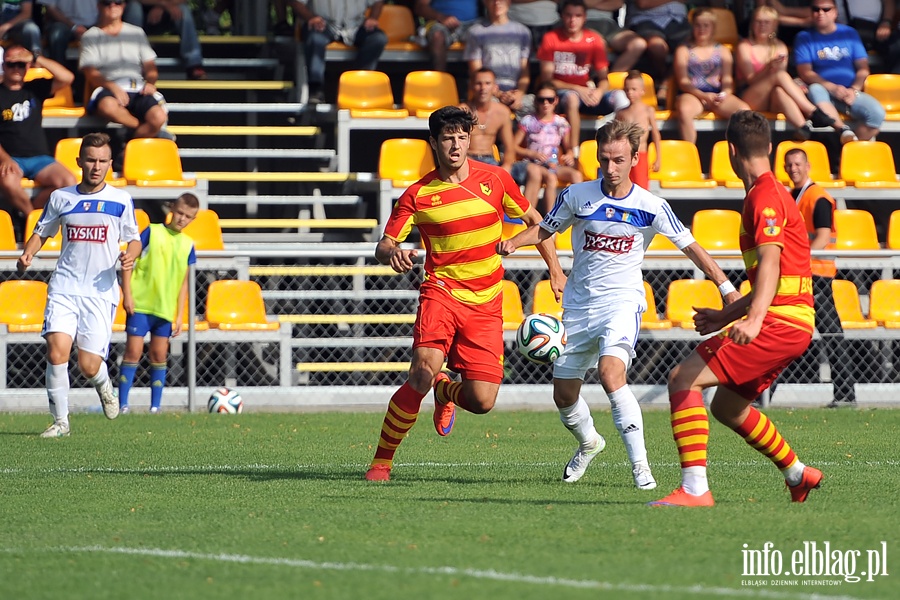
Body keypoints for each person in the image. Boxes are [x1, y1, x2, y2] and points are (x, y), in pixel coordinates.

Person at [497, 119, 741, 491]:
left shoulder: (651, 205)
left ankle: (641, 468)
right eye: (603, 160)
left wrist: (726, 288)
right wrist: (516, 241)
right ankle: (589, 442)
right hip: (578, 307)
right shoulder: (577, 195)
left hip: (622, 303)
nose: (610, 169)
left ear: (634, 158)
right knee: (564, 395)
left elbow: (691, 246)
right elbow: (546, 229)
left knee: (612, 375)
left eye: (618, 160)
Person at [365, 105, 566, 482]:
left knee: (482, 401)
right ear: (434, 144)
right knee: (422, 372)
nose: (456, 145)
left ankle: (447, 393)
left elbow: (536, 221)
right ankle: (381, 462)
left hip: (487, 301)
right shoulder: (418, 194)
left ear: (470, 139)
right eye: (447, 138)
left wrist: (555, 269)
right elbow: (384, 243)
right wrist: (394, 253)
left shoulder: (497, 179)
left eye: (461, 137)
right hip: (441, 293)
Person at [649, 110, 822, 507]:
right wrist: (727, 315)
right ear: (772, 149)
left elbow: (772, 263)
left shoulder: (764, 195)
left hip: (779, 322)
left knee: (682, 379)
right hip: (790, 321)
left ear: (729, 151)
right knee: (728, 407)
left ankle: (695, 490)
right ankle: (798, 474)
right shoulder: (769, 192)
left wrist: (756, 318)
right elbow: (770, 277)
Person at [17, 132, 141, 438]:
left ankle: (104, 386)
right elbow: (42, 230)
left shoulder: (120, 200)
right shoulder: (62, 197)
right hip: (65, 287)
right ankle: (60, 422)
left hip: (100, 292)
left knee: (88, 365)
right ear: (79, 162)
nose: (96, 167)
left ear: (110, 164)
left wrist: (130, 256)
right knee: (57, 352)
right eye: (90, 160)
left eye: (102, 161)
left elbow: (134, 239)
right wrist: (29, 252)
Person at [783, 148, 857, 408]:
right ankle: (846, 393)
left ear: (808, 166)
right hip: (803, 273)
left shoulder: (818, 197)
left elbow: (824, 237)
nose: (794, 169)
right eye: (789, 164)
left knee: (830, 334)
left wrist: (798, 258)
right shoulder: (794, 195)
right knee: (789, 331)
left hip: (817, 274)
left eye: (798, 164)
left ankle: (846, 393)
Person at [118, 192, 199, 414]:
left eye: (188, 216)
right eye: (180, 213)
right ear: (172, 209)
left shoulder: (187, 245)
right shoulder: (152, 232)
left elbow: (184, 283)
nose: (182, 219)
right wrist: (128, 294)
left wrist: (180, 314)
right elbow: (128, 261)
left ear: (193, 219)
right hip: (142, 304)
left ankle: (155, 406)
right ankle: (122, 403)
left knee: (159, 355)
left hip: (164, 309)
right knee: (133, 352)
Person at [735, 6, 840, 141]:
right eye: (758, 22)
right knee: (779, 75)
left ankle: (804, 129)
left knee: (779, 91)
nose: (762, 26)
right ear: (752, 24)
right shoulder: (744, 46)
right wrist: (768, 67)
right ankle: (813, 112)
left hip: (772, 95)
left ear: (774, 25)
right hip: (749, 95)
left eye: (766, 22)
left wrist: (794, 83)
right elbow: (751, 80)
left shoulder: (780, 46)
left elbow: (781, 82)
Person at [537, 0, 629, 149]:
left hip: (588, 93)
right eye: (568, 15)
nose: (573, 20)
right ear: (562, 16)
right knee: (572, 98)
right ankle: (574, 151)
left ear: (585, 17)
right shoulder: (551, 38)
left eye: (578, 15)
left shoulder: (594, 39)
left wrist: (599, 91)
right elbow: (547, 81)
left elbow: (604, 79)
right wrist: (578, 88)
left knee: (621, 97)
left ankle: (623, 145)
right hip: (561, 94)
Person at [0, 45, 77, 218]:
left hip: (39, 157)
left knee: (69, 182)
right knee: (9, 182)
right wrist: (5, 159)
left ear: (27, 67)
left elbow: (67, 77)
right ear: (4, 65)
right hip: (11, 158)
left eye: (21, 64)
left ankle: (34, 211)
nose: (16, 69)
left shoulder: (35, 89)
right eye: (11, 64)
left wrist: (36, 58)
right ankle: (32, 220)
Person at [79, 0, 174, 141]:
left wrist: (150, 83)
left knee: (158, 117)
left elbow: (150, 66)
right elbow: (90, 72)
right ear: (98, 6)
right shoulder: (90, 36)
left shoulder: (136, 32)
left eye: (117, 2)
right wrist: (112, 87)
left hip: (138, 86)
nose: (113, 6)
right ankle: (143, 129)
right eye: (107, 3)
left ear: (124, 5)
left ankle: (130, 143)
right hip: (108, 86)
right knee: (107, 106)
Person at [794, 0, 886, 142]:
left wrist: (853, 89)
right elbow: (805, 72)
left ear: (835, 12)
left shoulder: (849, 33)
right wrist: (833, 87)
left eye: (826, 9)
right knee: (815, 88)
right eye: (816, 9)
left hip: (849, 92)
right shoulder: (804, 37)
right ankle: (842, 130)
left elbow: (863, 69)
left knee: (876, 114)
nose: (820, 13)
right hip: (823, 92)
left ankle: (848, 150)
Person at [673, 7, 749, 144]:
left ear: (713, 28)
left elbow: (727, 80)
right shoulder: (683, 50)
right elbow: (683, 82)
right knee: (684, 110)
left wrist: (724, 94)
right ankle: (691, 153)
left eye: (706, 25)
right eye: (698, 25)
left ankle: (740, 152)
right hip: (693, 94)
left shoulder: (723, 51)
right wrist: (703, 96)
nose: (701, 29)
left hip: (716, 95)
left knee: (744, 112)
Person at [290, 0, 388, 104]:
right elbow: (296, 2)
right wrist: (311, 17)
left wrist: (373, 18)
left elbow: (377, 2)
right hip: (323, 23)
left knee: (378, 39)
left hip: (355, 25)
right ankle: (316, 90)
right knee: (315, 39)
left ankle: (358, 85)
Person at [513, 82, 583, 213]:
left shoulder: (560, 123)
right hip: (534, 164)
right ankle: (551, 221)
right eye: (541, 100)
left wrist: (569, 155)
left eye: (550, 100)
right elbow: (513, 146)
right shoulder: (528, 121)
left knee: (576, 175)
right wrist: (531, 154)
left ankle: (577, 215)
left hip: (553, 164)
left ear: (556, 101)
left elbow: (568, 147)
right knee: (551, 179)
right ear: (536, 101)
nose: (545, 103)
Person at [464, 0, 533, 118]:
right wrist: (499, 93)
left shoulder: (523, 32)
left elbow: (524, 71)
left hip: (516, 92)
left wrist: (519, 94)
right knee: (490, 107)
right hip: (488, 92)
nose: (497, 3)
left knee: (537, 105)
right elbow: (477, 72)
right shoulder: (476, 32)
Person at [624, 0, 693, 105]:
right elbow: (643, 3)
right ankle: (663, 79)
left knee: (690, 46)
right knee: (657, 47)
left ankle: (665, 85)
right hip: (646, 20)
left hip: (678, 21)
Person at [124, 0, 207, 80]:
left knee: (183, 10)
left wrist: (161, 7)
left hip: (168, 16)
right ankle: (134, 63)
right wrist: (163, 3)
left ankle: (193, 64)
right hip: (142, 17)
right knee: (134, 7)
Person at [459, 67, 516, 172]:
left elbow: (509, 147)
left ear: (495, 87)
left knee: (531, 171)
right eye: (478, 83)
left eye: (487, 83)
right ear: (471, 86)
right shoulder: (461, 111)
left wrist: (506, 166)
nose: (483, 88)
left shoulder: (502, 112)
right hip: (467, 160)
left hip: (491, 161)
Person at [613, 70, 660, 189]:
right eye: (627, 89)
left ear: (642, 91)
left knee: (641, 188)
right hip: (624, 156)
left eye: (634, 89)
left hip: (641, 155)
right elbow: (614, 136)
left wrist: (658, 158)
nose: (630, 93)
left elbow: (655, 134)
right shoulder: (621, 113)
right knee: (622, 188)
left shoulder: (647, 110)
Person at [415, 0, 480, 72]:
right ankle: (439, 79)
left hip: (472, 23)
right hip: (441, 22)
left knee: (484, 34)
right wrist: (441, 17)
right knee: (437, 36)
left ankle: (482, 81)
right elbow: (420, 7)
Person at [584, 0, 647, 72]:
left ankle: (611, 79)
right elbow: (576, 3)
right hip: (585, 23)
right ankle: (600, 79)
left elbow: (617, 3)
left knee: (638, 44)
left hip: (610, 24)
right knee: (599, 45)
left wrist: (590, 5)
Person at [39, 0, 100, 65]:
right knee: (57, 35)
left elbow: (107, 5)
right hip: (64, 24)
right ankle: (59, 72)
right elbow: (49, 7)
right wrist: (74, 27)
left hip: (95, 24)